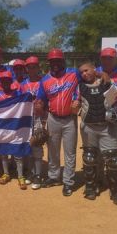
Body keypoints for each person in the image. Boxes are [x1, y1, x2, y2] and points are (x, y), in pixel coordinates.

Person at [71, 62, 117, 205]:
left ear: (94, 70)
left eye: (86, 70)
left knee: (113, 160)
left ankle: (115, 190)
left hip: (107, 127)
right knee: (89, 158)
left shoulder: (108, 82)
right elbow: (74, 109)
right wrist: (74, 107)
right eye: (81, 72)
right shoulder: (79, 87)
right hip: (89, 127)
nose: (84, 74)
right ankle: (91, 187)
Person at [37, 48, 80, 196]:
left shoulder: (74, 73)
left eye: (57, 60)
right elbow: (41, 100)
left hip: (70, 120)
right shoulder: (45, 80)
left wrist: (102, 74)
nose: (55, 63)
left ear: (63, 60)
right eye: (52, 61)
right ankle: (53, 176)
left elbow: (91, 71)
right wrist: (40, 112)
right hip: (53, 119)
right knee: (53, 151)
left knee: (70, 152)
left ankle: (68, 181)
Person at [0, 73, 26, 189]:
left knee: (17, 152)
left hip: (15, 126)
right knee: (4, 152)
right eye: (3, 80)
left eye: (8, 80)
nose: (5, 82)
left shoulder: (17, 94)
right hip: (3, 127)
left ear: (11, 81)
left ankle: (20, 176)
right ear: (0, 82)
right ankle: (6, 173)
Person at [20, 56, 45, 190]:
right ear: (27, 69)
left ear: (38, 68)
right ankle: (30, 172)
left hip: (39, 118)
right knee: (29, 146)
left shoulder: (43, 82)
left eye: (34, 66)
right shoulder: (23, 84)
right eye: (29, 67)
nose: (32, 69)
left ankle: (38, 175)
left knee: (37, 145)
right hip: (26, 118)